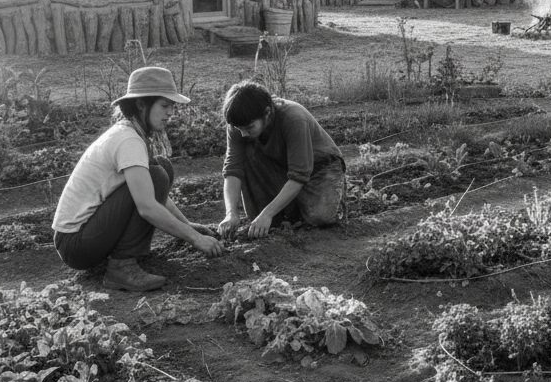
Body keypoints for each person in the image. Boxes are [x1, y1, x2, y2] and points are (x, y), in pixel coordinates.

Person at [52, 67, 225, 292]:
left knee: (160, 168)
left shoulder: (131, 134)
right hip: (76, 245)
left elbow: (151, 192)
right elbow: (147, 207)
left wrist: (186, 225)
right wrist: (195, 239)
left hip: (83, 237)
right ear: (142, 105)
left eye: (172, 106)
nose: (171, 112)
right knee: (157, 174)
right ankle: (121, 268)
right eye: (164, 105)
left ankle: (121, 260)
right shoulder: (128, 141)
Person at [219, 81, 348, 238]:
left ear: (267, 113)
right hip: (283, 166)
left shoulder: (293, 117)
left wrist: (267, 213)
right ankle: (290, 208)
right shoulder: (240, 121)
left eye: (249, 128)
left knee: (320, 217)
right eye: (240, 129)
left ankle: (331, 195)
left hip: (321, 168)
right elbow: (233, 168)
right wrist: (231, 213)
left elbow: (299, 174)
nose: (243, 133)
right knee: (267, 220)